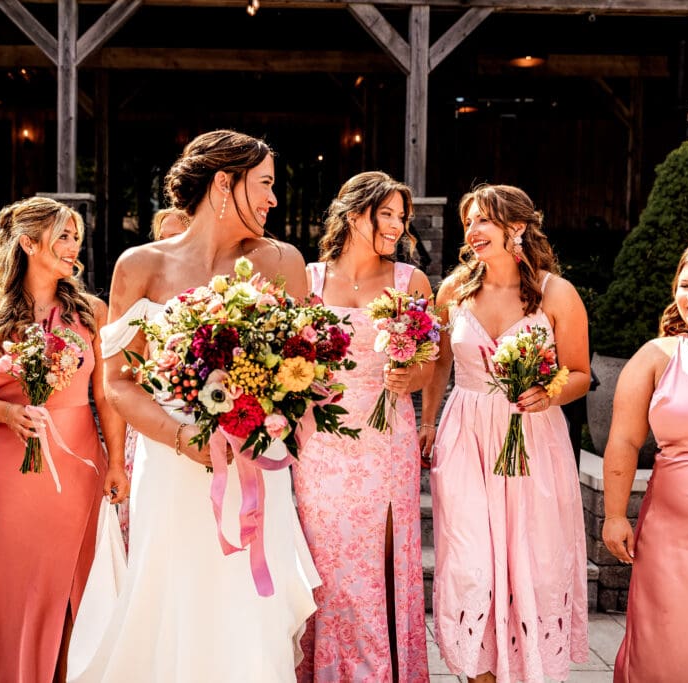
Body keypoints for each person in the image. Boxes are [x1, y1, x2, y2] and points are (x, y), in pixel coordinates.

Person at [67, 129, 321, 683]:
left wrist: (265, 420)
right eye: (265, 185)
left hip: (254, 467)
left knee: (247, 613)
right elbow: (118, 381)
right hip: (172, 466)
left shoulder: (283, 262)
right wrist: (187, 440)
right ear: (224, 184)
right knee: (173, 599)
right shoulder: (141, 266)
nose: (274, 200)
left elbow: (305, 372)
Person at [0, 196, 129, 682]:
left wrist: (117, 463)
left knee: (80, 586)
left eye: (77, 237)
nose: (75, 247)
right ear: (28, 243)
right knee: (20, 589)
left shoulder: (93, 310)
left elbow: (107, 396)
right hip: (11, 471)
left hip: (79, 468)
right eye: (64, 237)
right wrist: (8, 412)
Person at [420, 184, 590, 683]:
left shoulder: (556, 292)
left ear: (516, 227)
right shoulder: (453, 289)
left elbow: (579, 372)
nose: (471, 232)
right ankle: (476, 672)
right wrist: (428, 421)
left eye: (483, 221)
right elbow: (439, 364)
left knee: (530, 560)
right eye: (468, 221)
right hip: (465, 434)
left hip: (533, 438)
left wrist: (548, 394)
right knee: (469, 563)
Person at [295, 171, 431, 682]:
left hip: (385, 437)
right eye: (388, 215)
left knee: (376, 563)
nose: (397, 226)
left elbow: (428, 363)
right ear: (355, 215)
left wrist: (408, 373)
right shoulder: (307, 280)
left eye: (402, 217)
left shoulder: (409, 282)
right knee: (326, 563)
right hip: (322, 442)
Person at [602, 237, 688, 682]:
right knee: (669, 640)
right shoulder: (657, 355)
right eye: (684, 284)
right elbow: (623, 440)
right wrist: (612, 515)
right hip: (673, 536)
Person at [118, 206, 192, 547]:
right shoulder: (145, 288)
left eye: (177, 238)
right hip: (153, 409)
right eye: (163, 239)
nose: (168, 247)